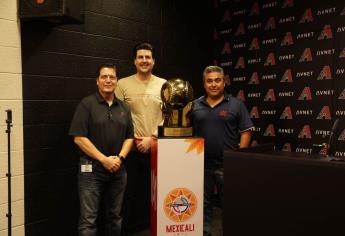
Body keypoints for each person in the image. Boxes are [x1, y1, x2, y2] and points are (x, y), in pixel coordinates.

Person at [69, 63, 134, 236]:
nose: (108, 80)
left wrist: (119, 158)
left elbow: (130, 137)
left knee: (115, 217)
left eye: (112, 77)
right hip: (91, 170)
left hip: (118, 169)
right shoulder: (87, 104)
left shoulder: (124, 108)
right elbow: (79, 138)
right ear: (97, 81)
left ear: (117, 81)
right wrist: (104, 160)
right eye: (104, 77)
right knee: (89, 220)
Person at [189, 65, 254, 236]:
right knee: (203, 205)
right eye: (209, 81)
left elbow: (246, 131)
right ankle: (204, 233)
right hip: (200, 165)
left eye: (217, 80)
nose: (213, 84)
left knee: (230, 205)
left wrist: (238, 157)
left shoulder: (236, 104)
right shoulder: (194, 106)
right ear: (204, 84)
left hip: (227, 166)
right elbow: (185, 131)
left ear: (224, 82)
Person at [115, 42, 166, 232]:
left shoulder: (164, 85)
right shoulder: (122, 84)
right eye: (140, 57)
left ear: (154, 61)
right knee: (129, 193)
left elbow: (168, 117)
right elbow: (118, 115)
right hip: (131, 148)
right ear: (134, 61)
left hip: (157, 148)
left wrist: (152, 138)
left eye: (148, 57)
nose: (144, 60)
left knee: (153, 193)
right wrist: (135, 138)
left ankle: (151, 229)